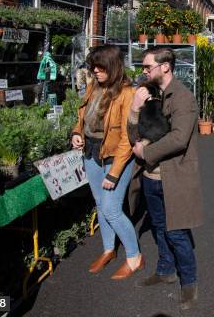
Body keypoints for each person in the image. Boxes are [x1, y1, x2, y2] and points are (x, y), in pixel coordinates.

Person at [129, 48, 203, 310]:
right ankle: (165, 271)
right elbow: (133, 134)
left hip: (173, 177)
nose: (144, 71)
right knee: (160, 227)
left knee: (177, 232)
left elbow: (179, 138)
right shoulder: (150, 94)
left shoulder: (183, 98)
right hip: (151, 175)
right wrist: (135, 109)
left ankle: (189, 285)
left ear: (166, 67)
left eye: (148, 67)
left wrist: (145, 151)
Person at [71, 45, 142, 279]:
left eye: (100, 67)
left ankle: (134, 257)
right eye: (93, 67)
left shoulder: (126, 93)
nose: (94, 71)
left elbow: (126, 138)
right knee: (100, 204)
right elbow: (83, 116)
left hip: (115, 157)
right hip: (91, 152)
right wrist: (76, 133)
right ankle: (108, 249)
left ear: (112, 67)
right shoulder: (94, 87)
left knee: (112, 209)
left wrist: (115, 173)